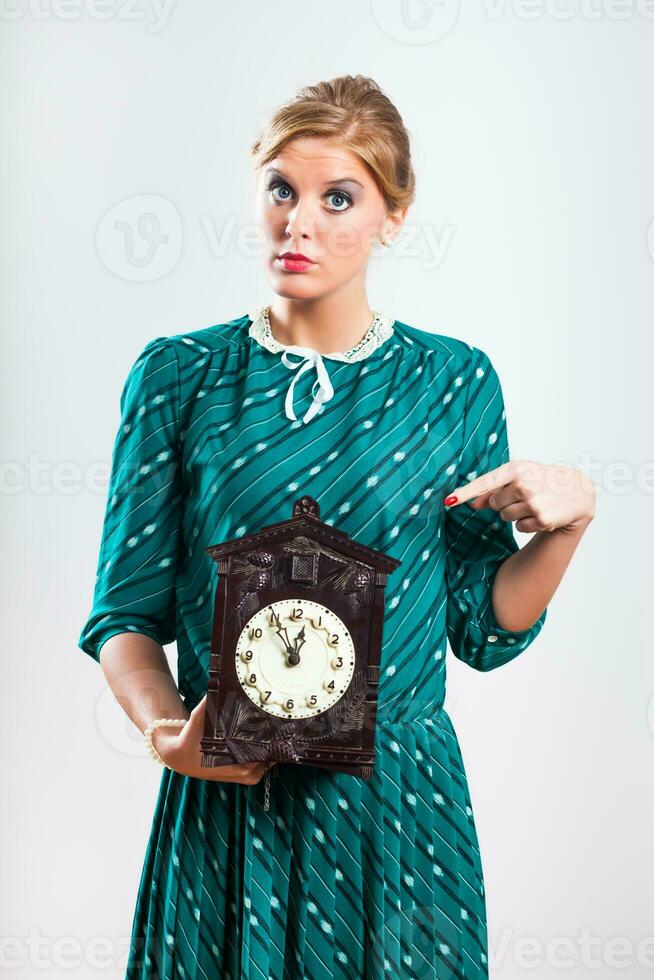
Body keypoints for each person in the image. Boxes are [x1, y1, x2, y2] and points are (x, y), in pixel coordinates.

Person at [78, 74, 596, 980]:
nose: (299, 223)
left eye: (338, 197)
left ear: (393, 215)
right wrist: (171, 737)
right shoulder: (179, 374)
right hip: (228, 808)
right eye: (281, 189)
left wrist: (568, 529)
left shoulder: (452, 382)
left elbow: (482, 626)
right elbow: (123, 612)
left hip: (399, 809)